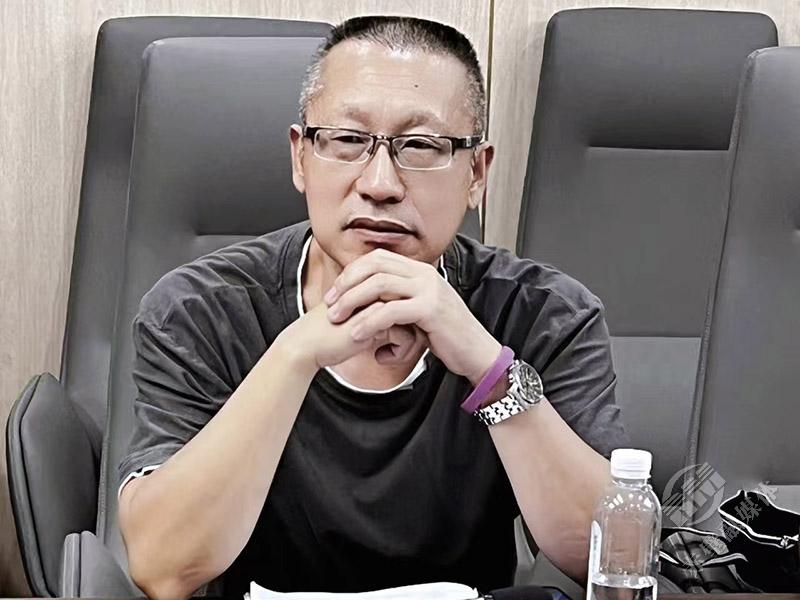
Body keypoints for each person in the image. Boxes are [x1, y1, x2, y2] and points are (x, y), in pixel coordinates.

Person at [117, 15, 628, 600]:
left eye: (421, 146)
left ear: (476, 173)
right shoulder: (198, 310)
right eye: (348, 140)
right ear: (301, 158)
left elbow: (612, 557)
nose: (380, 183)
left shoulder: (543, 313)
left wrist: (489, 369)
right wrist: (295, 354)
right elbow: (163, 567)